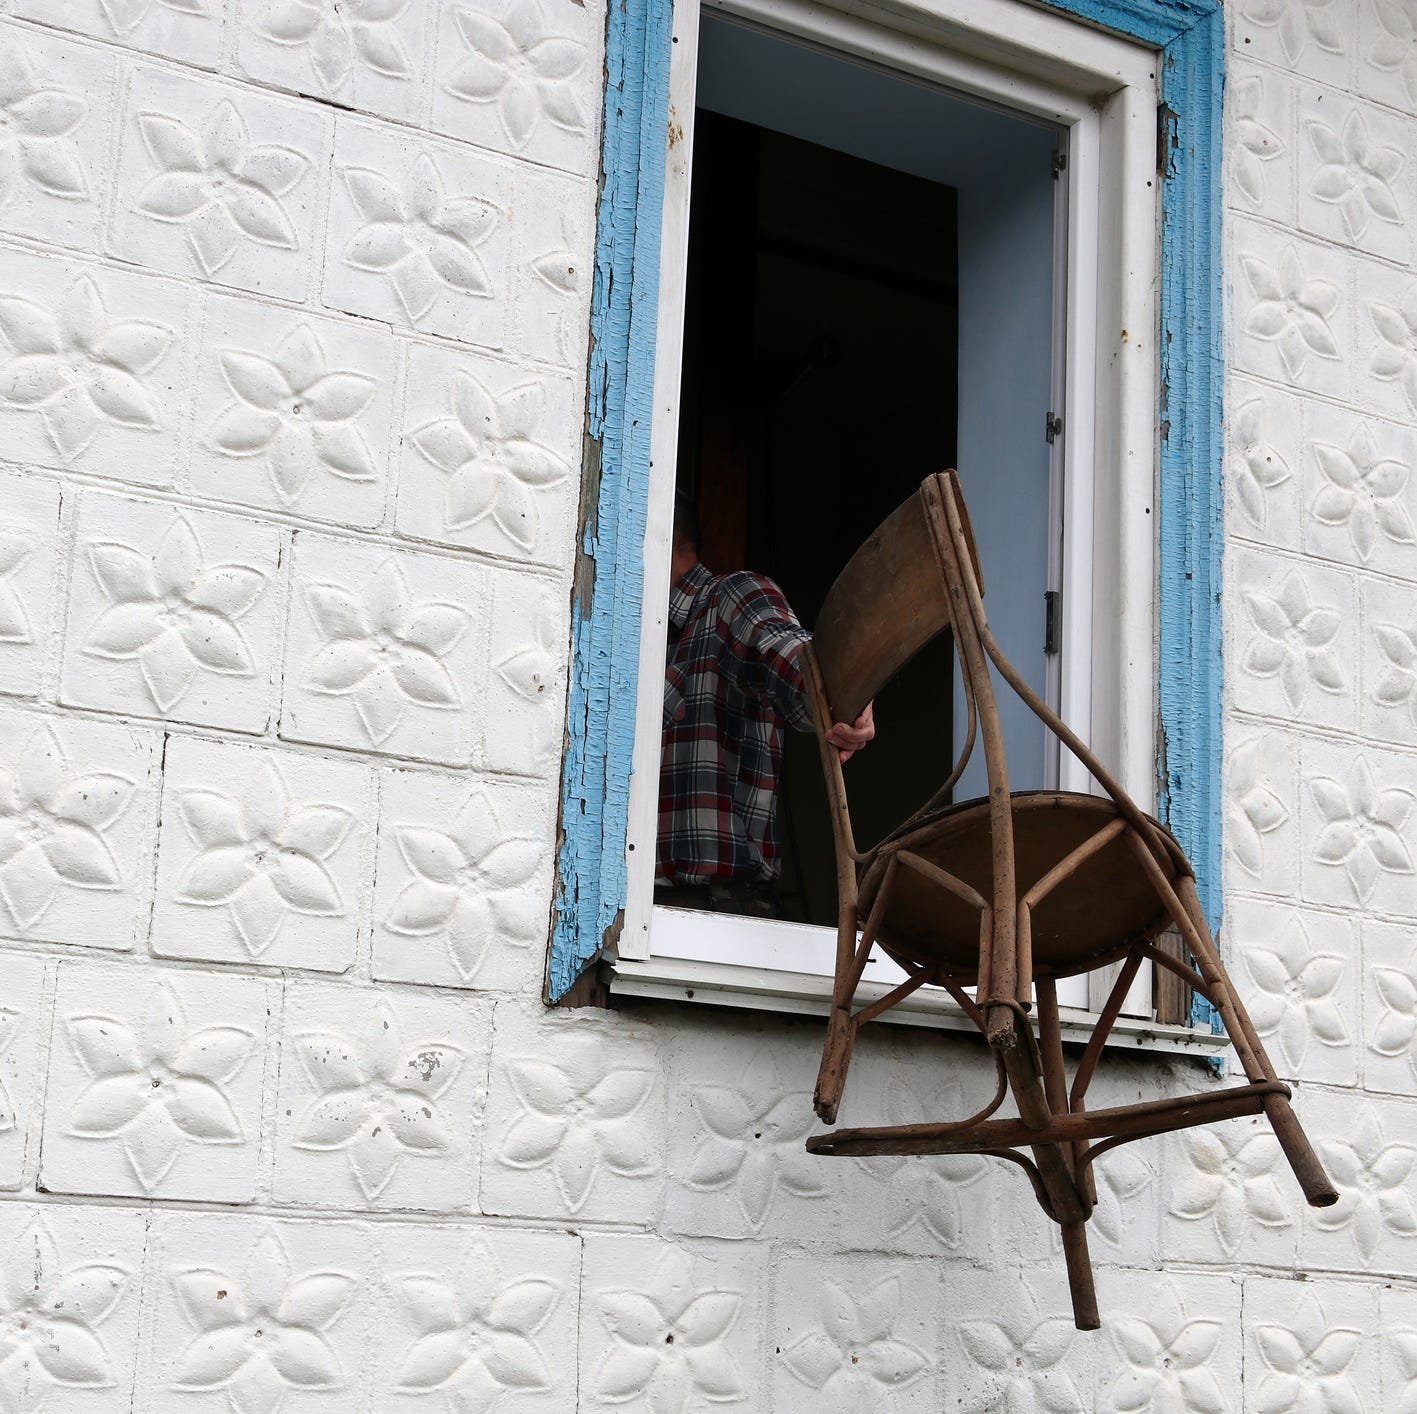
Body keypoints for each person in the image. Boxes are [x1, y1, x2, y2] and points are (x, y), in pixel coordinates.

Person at [655, 497, 874, 914]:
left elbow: (790, 654)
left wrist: (846, 690)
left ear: (657, 536)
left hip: (720, 917)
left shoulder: (728, 598)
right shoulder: (649, 639)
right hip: (646, 919)